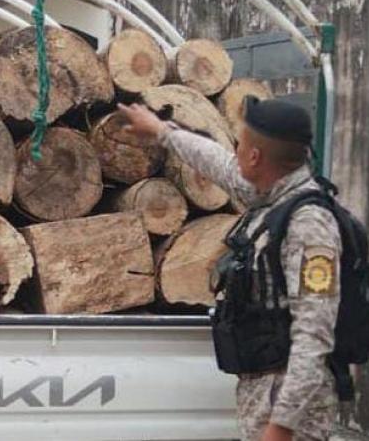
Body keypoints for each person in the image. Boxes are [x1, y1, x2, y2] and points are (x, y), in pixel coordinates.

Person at [119, 99, 341, 441]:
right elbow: (217, 163)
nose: (233, 153)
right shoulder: (270, 194)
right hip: (265, 394)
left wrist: (281, 426)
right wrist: (162, 132)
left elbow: (315, 335)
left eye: (240, 145)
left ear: (254, 157)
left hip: (292, 413)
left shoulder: (309, 224)